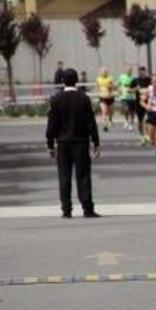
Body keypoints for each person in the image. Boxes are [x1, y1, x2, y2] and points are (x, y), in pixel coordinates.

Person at [46, 68, 101, 219]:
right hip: (81, 142)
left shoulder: (56, 99)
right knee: (83, 176)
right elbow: (91, 122)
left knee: (64, 176)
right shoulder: (83, 98)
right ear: (77, 80)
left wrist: (50, 144)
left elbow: (52, 124)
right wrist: (96, 142)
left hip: (63, 143)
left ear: (62, 81)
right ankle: (87, 208)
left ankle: (66, 209)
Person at [131, 66, 152, 144]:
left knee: (146, 119)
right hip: (138, 102)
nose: (142, 72)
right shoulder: (135, 80)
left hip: (148, 102)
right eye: (140, 71)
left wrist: (147, 91)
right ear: (138, 72)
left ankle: (147, 135)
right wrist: (135, 89)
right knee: (140, 121)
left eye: (143, 70)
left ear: (145, 71)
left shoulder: (149, 80)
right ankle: (142, 136)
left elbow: (153, 87)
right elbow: (129, 89)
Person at [95, 67, 115, 131]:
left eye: (105, 72)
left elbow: (113, 87)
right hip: (102, 97)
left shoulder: (110, 78)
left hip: (110, 97)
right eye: (103, 72)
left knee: (111, 111)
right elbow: (97, 87)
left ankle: (110, 118)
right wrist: (99, 92)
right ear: (100, 73)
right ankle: (105, 125)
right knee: (104, 111)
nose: (104, 73)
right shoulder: (98, 79)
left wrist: (110, 87)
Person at [117, 65, 136, 131]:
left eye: (130, 70)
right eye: (127, 70)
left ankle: (131, 124)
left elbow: (136, 87)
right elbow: (118, 85)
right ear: (125, 70)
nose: (129, 71)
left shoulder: (134, 78)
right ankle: (126, 120)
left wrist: (133, 90)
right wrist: (119, 91)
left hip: (132, 97)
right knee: (126, 109)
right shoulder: (121, 77)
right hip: (124, 96)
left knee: (132, 112)